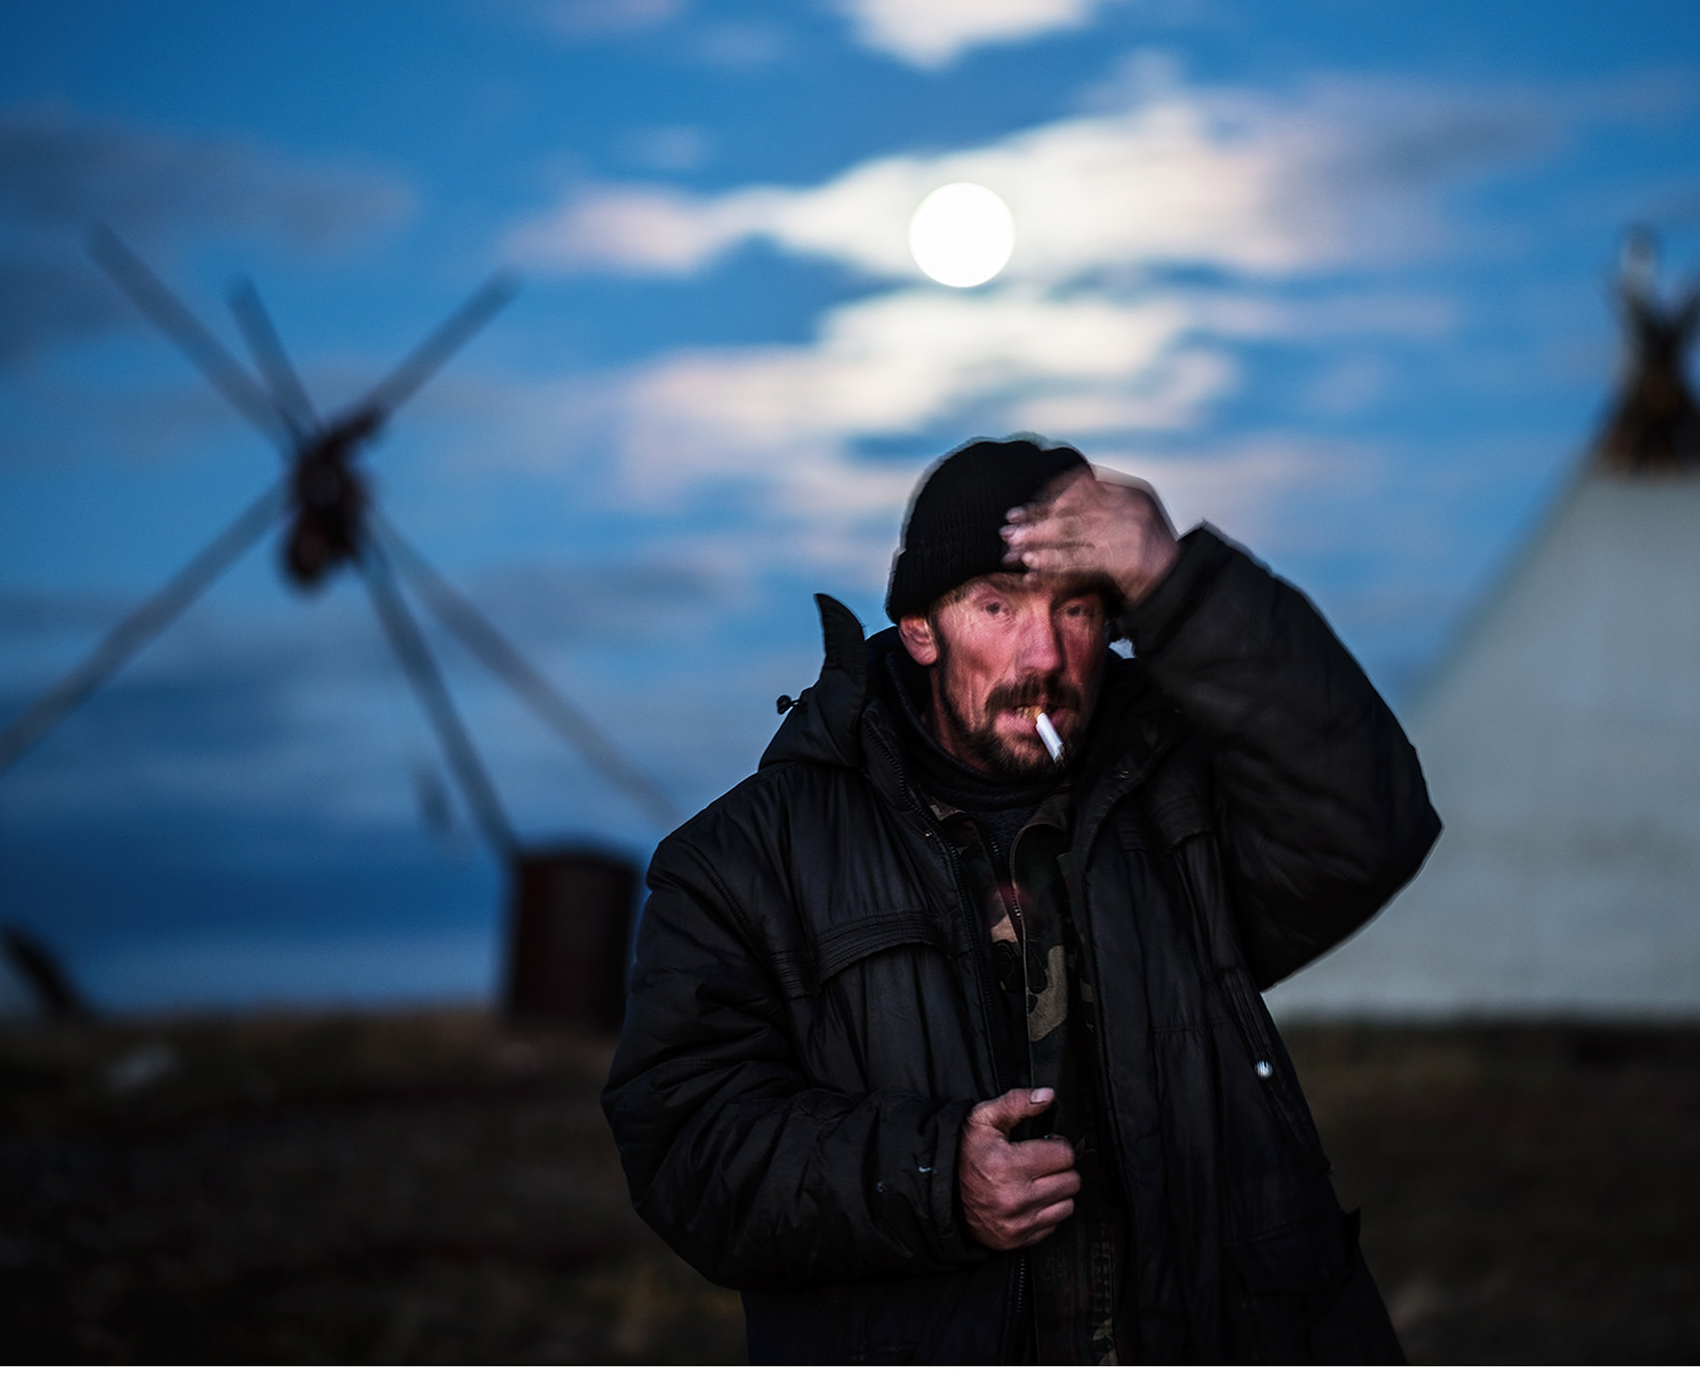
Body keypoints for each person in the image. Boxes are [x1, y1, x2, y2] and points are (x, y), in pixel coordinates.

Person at [602, 436, 1440, 1363]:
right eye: (997, 606)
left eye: (1076, 608)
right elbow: (684, 1144)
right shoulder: (744, 860)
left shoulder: (1183, 800)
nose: (1043, 655)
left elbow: (1368, 823)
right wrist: (930, 1179)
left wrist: (1182, 585)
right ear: (921, 629)